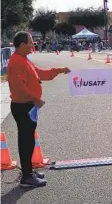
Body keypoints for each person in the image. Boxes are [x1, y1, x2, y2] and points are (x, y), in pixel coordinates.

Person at [7, 31, 70, 187]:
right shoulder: (16, 62)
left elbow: (40, 74)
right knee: (26, 141)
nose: (32, 46)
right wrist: (36, 99)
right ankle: (27, 177)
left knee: (28, 139)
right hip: (23, 106)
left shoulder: (24, 59)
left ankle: (29, 171)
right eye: (30, 43)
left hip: (28, 106)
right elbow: (19, 88)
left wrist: (59, 70)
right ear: (22, 45)